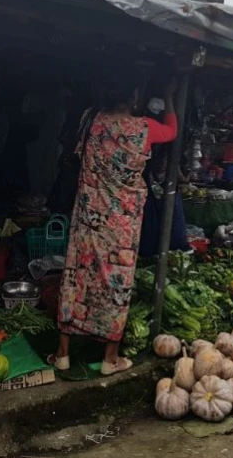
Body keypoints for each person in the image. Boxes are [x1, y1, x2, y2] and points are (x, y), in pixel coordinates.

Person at [52, 73, 177, 376]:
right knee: (115, 282)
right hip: (122, 222)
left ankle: (62, 354)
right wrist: (169, 96)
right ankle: (110, 359)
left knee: (76, 276)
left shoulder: (90, 119)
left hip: (88, 217)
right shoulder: (143, 128)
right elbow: (173, 130)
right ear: (134, 97)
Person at [139, 98, 189, 257]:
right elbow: (169, 163)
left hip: (153, 184)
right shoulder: (153, 129)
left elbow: (170, 163)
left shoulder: (147, 128)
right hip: (153, 184)